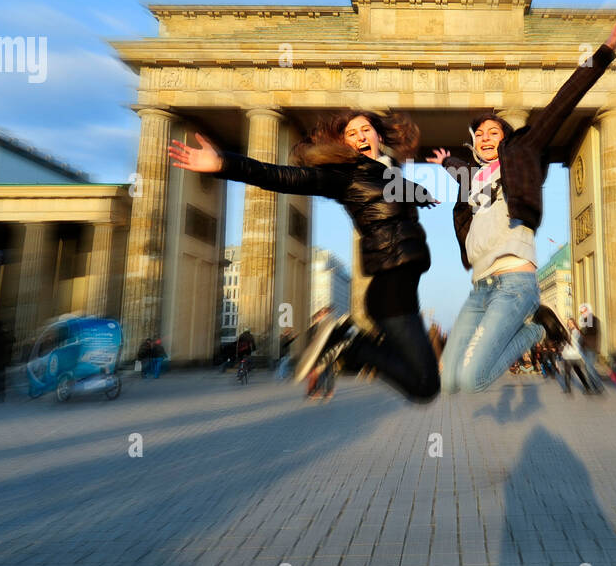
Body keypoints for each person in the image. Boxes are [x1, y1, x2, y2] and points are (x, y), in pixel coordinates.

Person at [169, 110, 441, 403]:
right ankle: (348, 345)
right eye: (352, 133)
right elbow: (282, 177)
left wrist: (421, 193)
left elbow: (393, 189)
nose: (361, 136)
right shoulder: (344, 175)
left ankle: (351, 346)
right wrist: (224, 163)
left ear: (378, 135)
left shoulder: (389, 172)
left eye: (366, 129)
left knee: (424, 383)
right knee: (425, 387)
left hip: (403, 289)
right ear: (345, 144)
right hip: (390, 288)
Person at [428, 11, 616, 393]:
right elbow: (463, 172)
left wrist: (602, 55)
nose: (486, 136)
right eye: (479, 134)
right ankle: (528, 329)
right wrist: (445, 162)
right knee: (451, 379)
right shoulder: (471, 177)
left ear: (505, 138)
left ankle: (537, 329)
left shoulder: (522, 153)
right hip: (481, 285)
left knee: (472, 380)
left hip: (515, 282)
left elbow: (560, 105)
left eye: (493, 131)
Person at [559, 318, 594, 395]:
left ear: (574, 323)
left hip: (575, 355)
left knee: (579, 372)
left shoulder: (576, 332)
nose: (570, 324)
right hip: (568, 355)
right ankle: (569, 389)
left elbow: (576, 341)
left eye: (571, 322)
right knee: (568, 372)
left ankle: (587, 388)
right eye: (568, 323)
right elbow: (564, 342)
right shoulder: (568, 331)